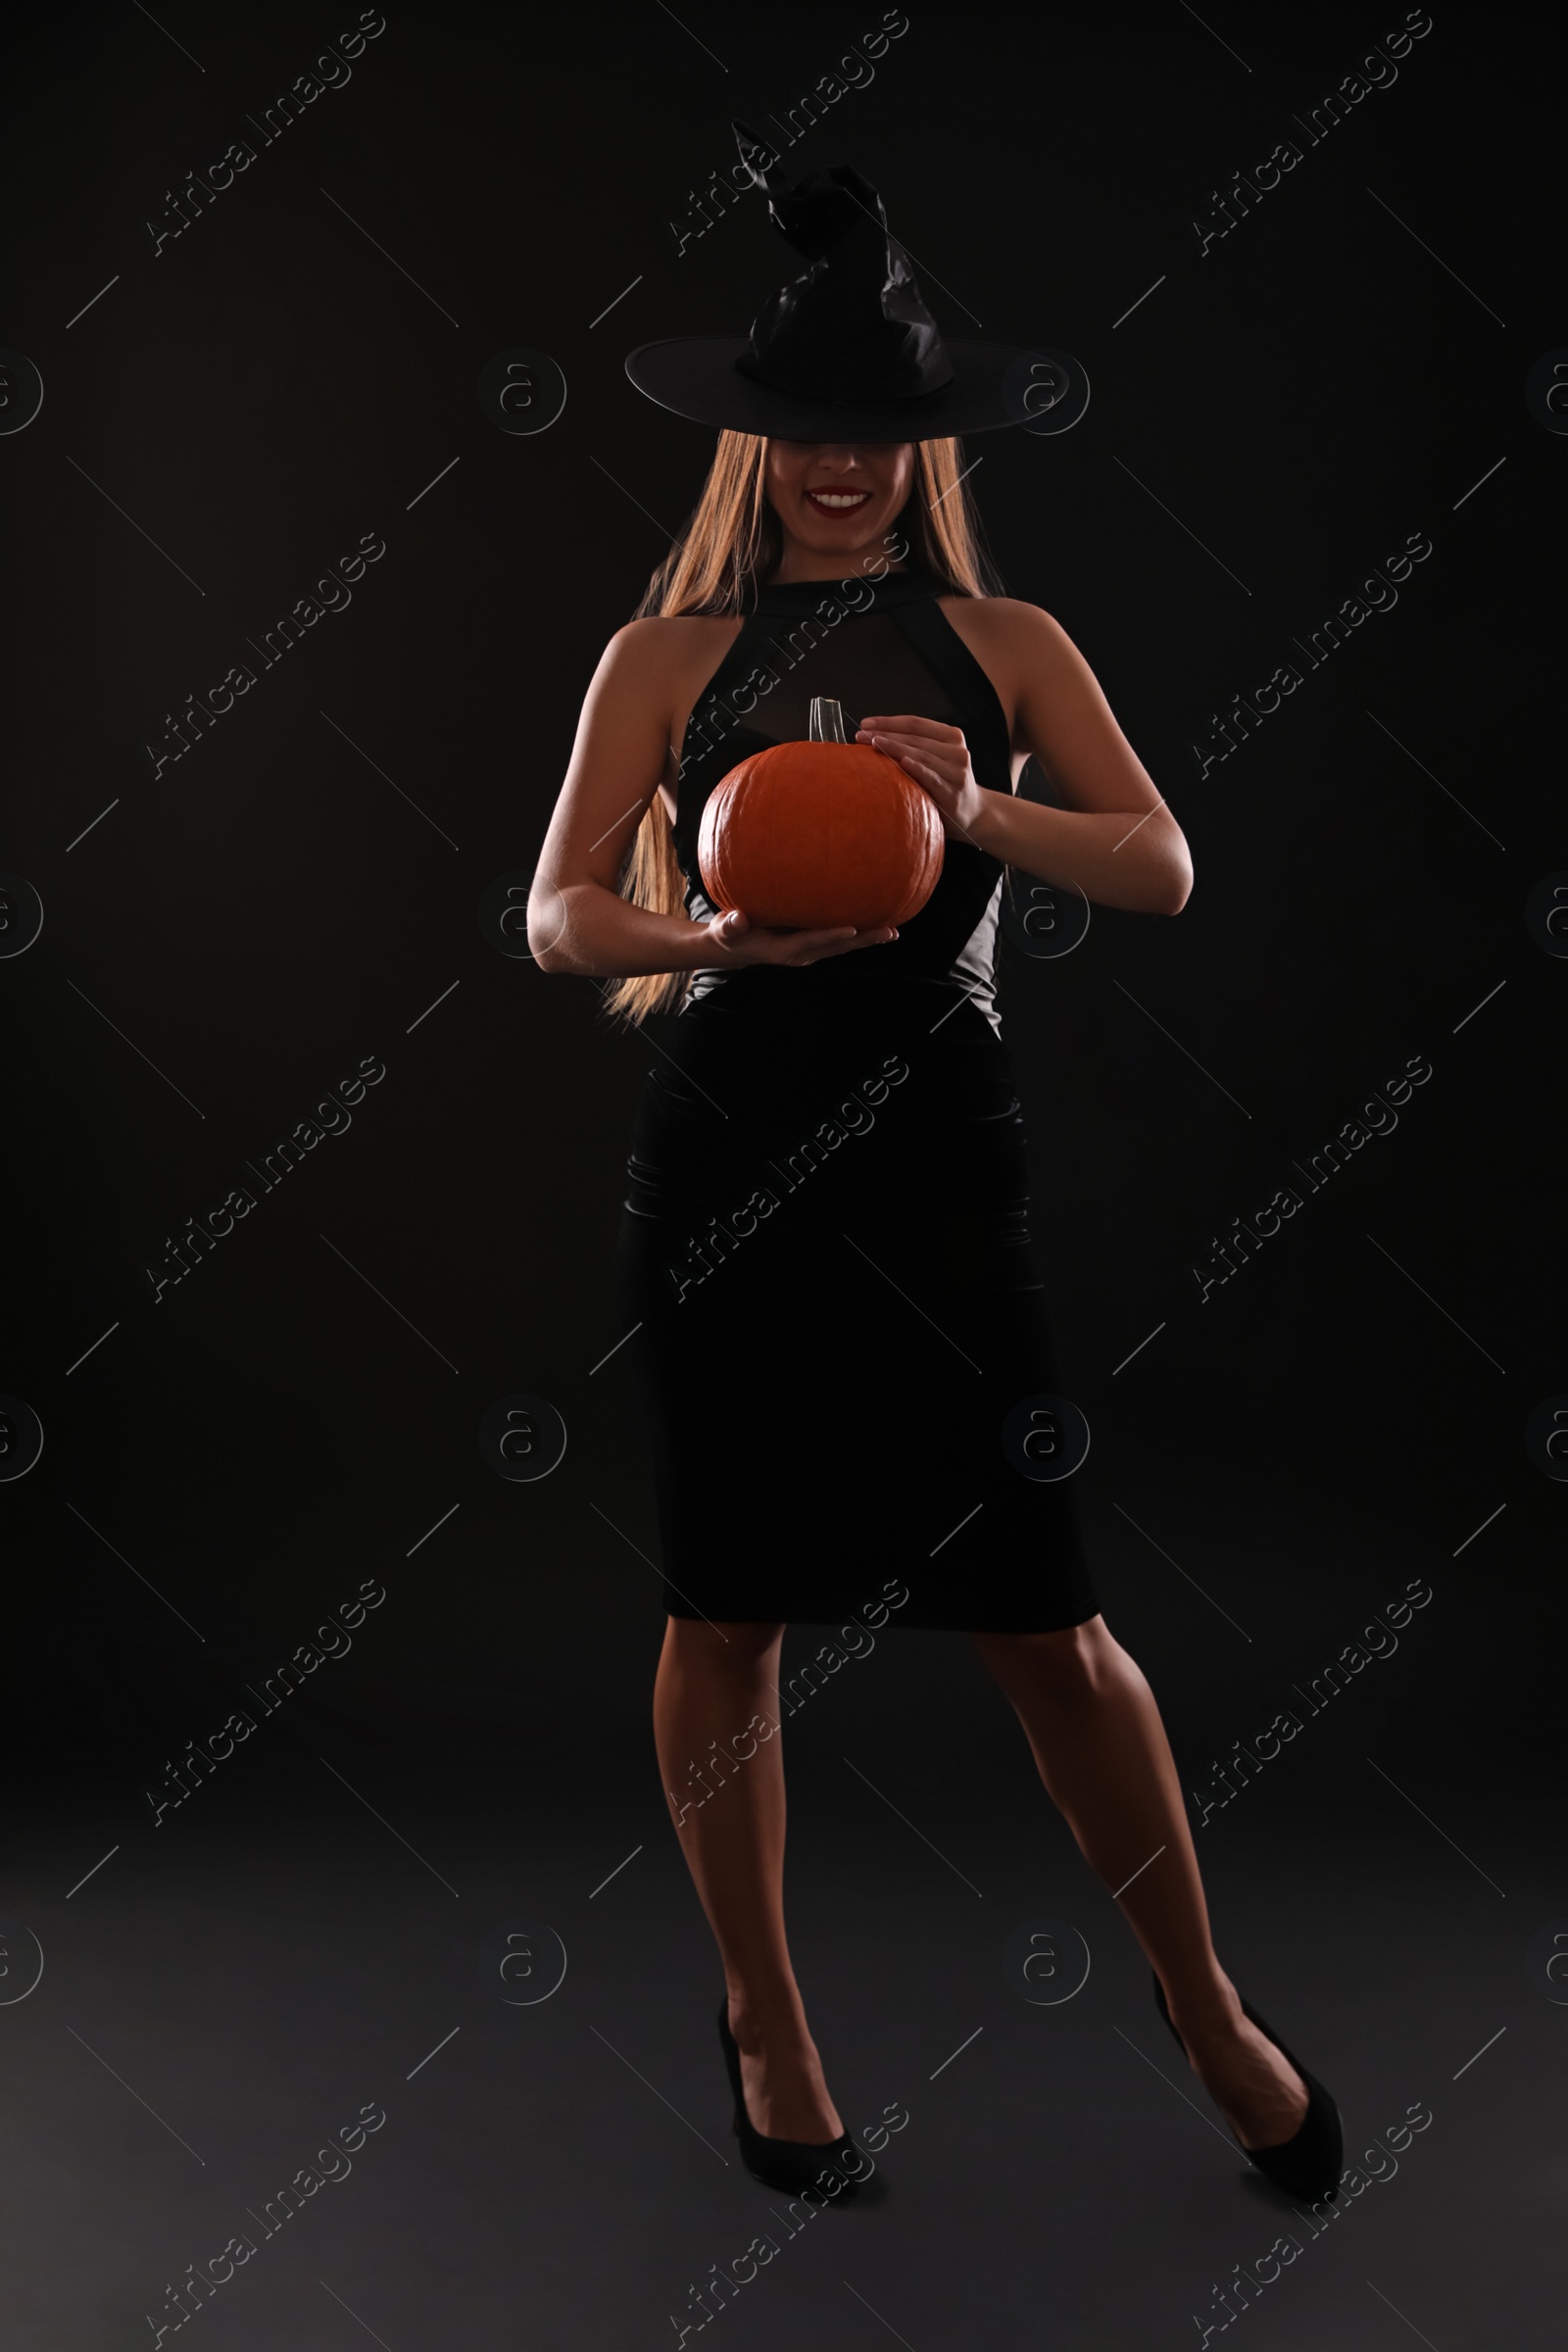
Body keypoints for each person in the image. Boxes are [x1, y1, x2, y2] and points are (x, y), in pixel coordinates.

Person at [529, 125, 1341, 2204]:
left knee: (1047, 1632)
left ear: (919, 449)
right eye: (808, 430)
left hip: (934, 1171)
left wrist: (975, 820)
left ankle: (1205, 2010)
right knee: (728, 1618)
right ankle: (766, 2022)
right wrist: (709, 934)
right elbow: (554, 914)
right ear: (756, 443)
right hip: (726, 1166)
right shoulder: (668, 658)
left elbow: (1153, 864)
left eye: (876, 435)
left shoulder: (1002, 645)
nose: (839, 466)